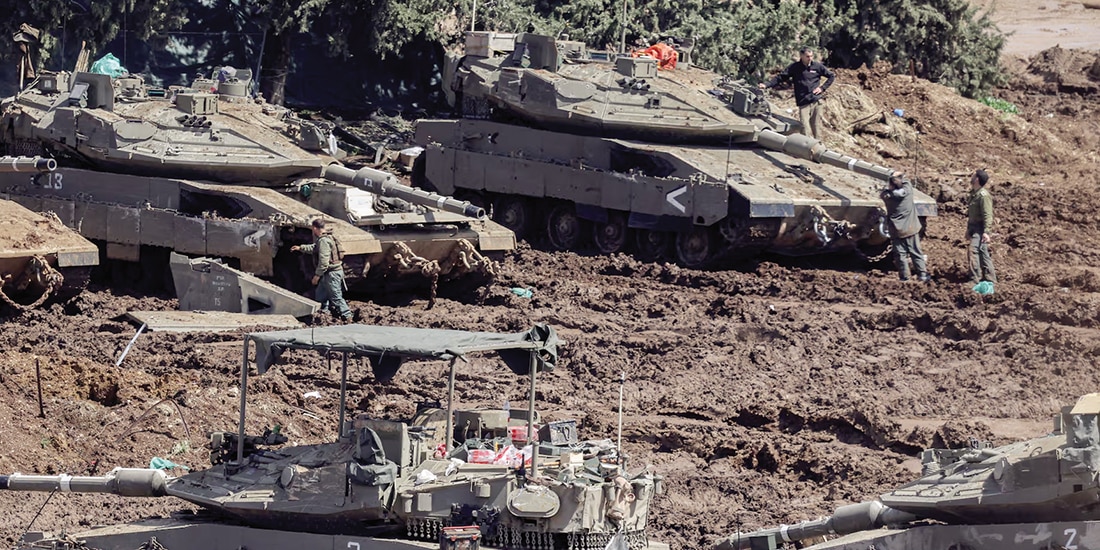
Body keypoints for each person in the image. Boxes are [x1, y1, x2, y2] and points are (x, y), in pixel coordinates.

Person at [759, 47, 836, 140]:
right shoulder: (795, 67)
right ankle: (806, 148)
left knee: (816, 126)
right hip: (803, 101)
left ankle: (818, 148)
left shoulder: (817, 66)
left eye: (811, 56)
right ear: (801, 56)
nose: (810, 58)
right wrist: (767, 84)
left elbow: (831, 76)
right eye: (807, 56)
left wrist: (822, 88)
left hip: (816, 100)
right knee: (804, 127)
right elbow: (780, 78)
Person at [291, 218, 353, 322]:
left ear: (315, 228)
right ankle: (324, 315)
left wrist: (317, 276)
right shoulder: (327, 237)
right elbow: (315, 248)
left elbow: (324, 262)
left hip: (331, 274)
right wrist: (300, 248)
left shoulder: (324, 241)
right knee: (320, 295)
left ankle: (347, 317)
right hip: (328, 274)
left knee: (336, 297)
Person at [880, 173, 929, 282]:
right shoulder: (908, 192)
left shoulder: (887, 197)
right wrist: (898, 176)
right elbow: (906, 182)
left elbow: (883, 193)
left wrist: (889, 186)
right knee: (916, 252)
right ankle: (922, 275)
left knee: (900, 255)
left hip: (896, 230)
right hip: (910, 228)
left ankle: (905, 277)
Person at [967, 169, 996, 284]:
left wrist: (986, 232)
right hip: (974, 227)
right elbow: (971, 214)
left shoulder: (983, 196)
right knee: (983, 252)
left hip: (980, 228)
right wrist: (968, 229)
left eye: (973, 175)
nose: (971, 177)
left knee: (973, 251)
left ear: (977, 179)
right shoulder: (974, 194)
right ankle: (990, 278)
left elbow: (987, 215)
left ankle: (975, 279)